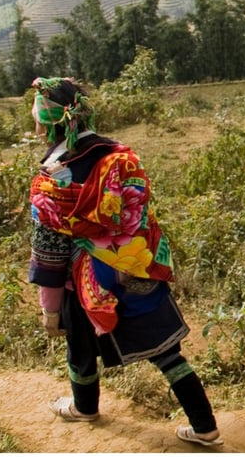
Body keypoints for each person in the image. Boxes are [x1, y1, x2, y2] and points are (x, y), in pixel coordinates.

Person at [26, 77, 222, 447]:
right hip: (135, 267)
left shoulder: (51, 178)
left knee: (80, 347)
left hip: (86, 282)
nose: (35, 128)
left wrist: (49, 311)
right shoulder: (122, 157)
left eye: (37, 119)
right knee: (166, 352)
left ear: (51, 123)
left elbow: (49, 250)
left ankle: (84, 406)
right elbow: (139, 216)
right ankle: (205, 426)